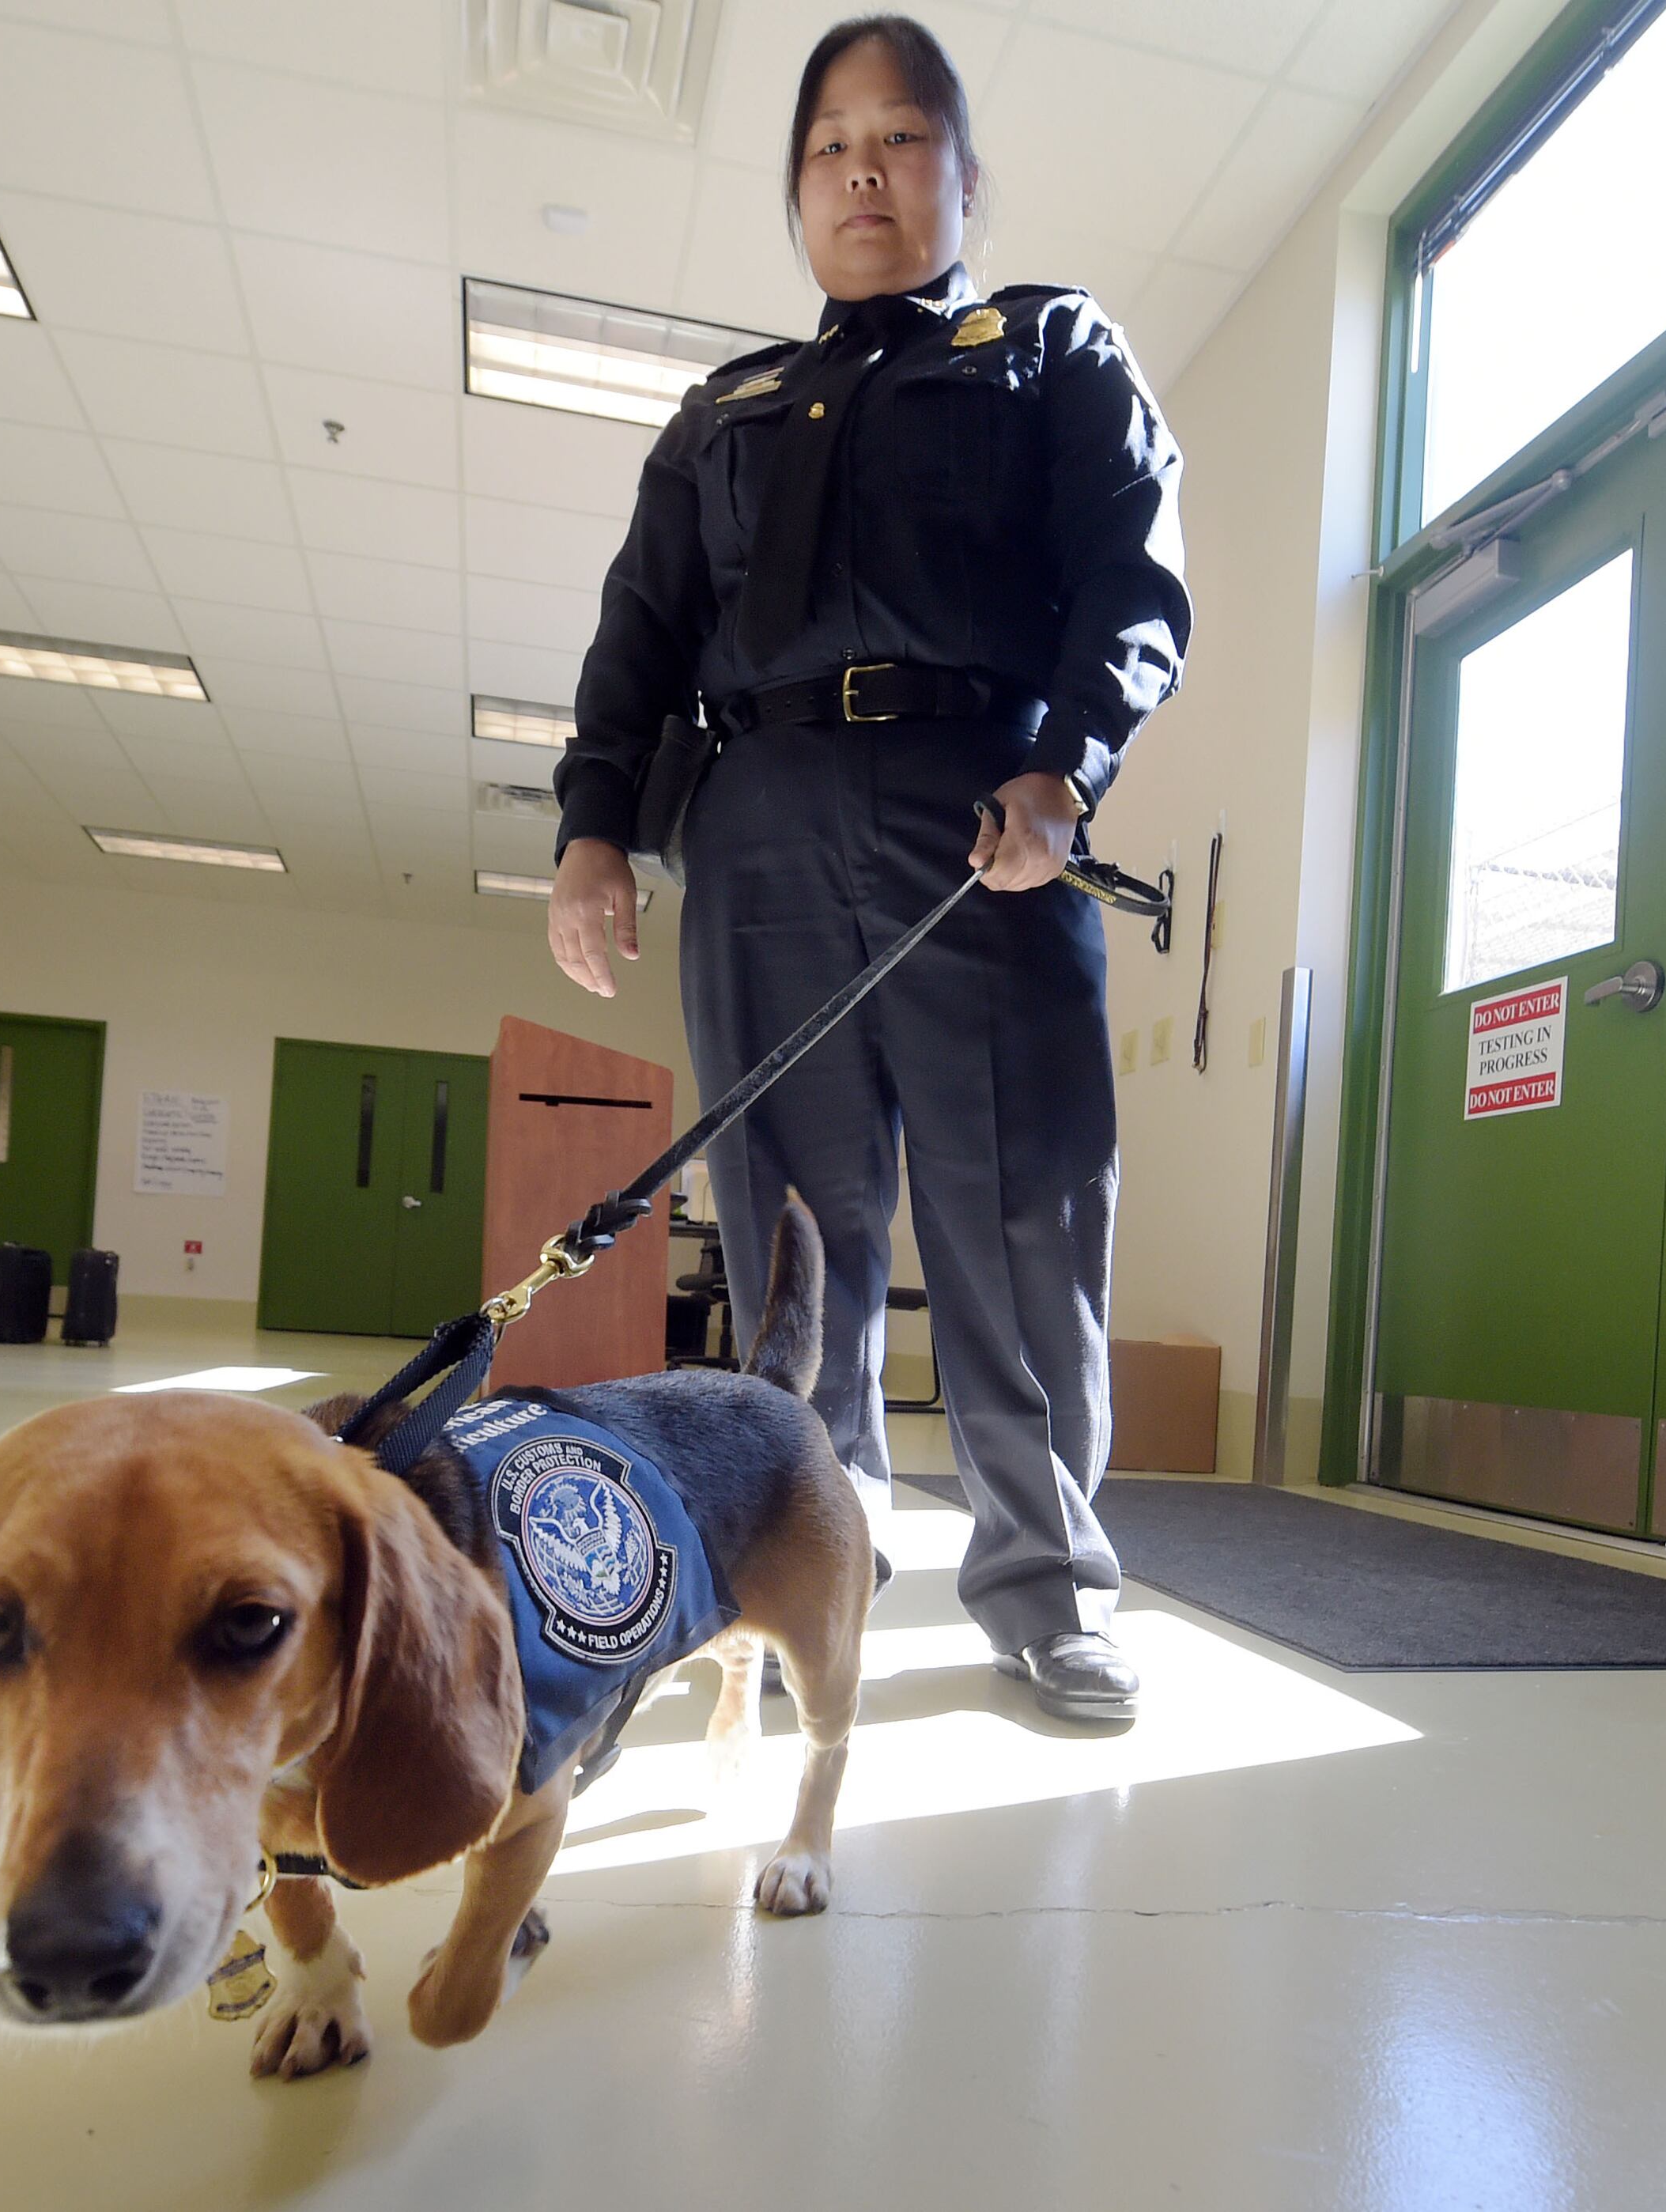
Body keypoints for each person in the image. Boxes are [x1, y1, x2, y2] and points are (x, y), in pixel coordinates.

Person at [546, 13, 1189, 1722]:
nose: (863, 171)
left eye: (901, 139)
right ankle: (798, 1571)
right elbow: (641, 632)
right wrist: (592, 827)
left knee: (1016, 1216)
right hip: (755, 822)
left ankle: (1047, 1586)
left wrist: (1068, 770)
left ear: (962, 176)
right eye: (830, 145)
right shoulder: (725, 408)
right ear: (797, 193)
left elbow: (1132, 580)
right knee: (793, 1243)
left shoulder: (1045, 346)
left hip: (982, 818)